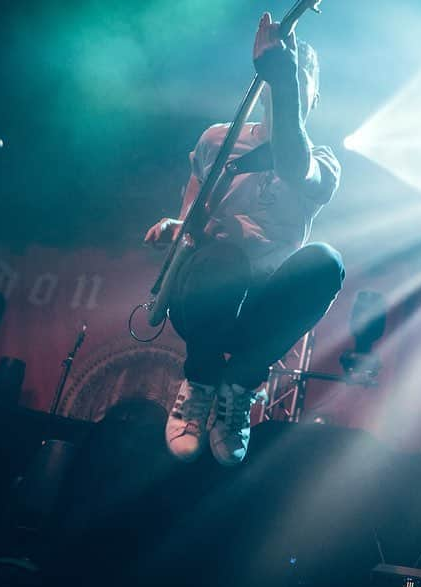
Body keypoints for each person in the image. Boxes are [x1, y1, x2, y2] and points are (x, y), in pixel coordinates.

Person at [143, 13, 343, 466]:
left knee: (325, 263)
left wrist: (285, 80)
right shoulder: (218, 141)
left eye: (296, 81)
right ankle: (200, 379)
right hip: (207, 294)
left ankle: (238, 389)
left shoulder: (323, 163)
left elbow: (294, 165)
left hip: (261, 312)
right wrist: (176, 230)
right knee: (224, 259)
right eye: (278, 79)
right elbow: (190, 221)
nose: (283, 87)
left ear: (311, 95)